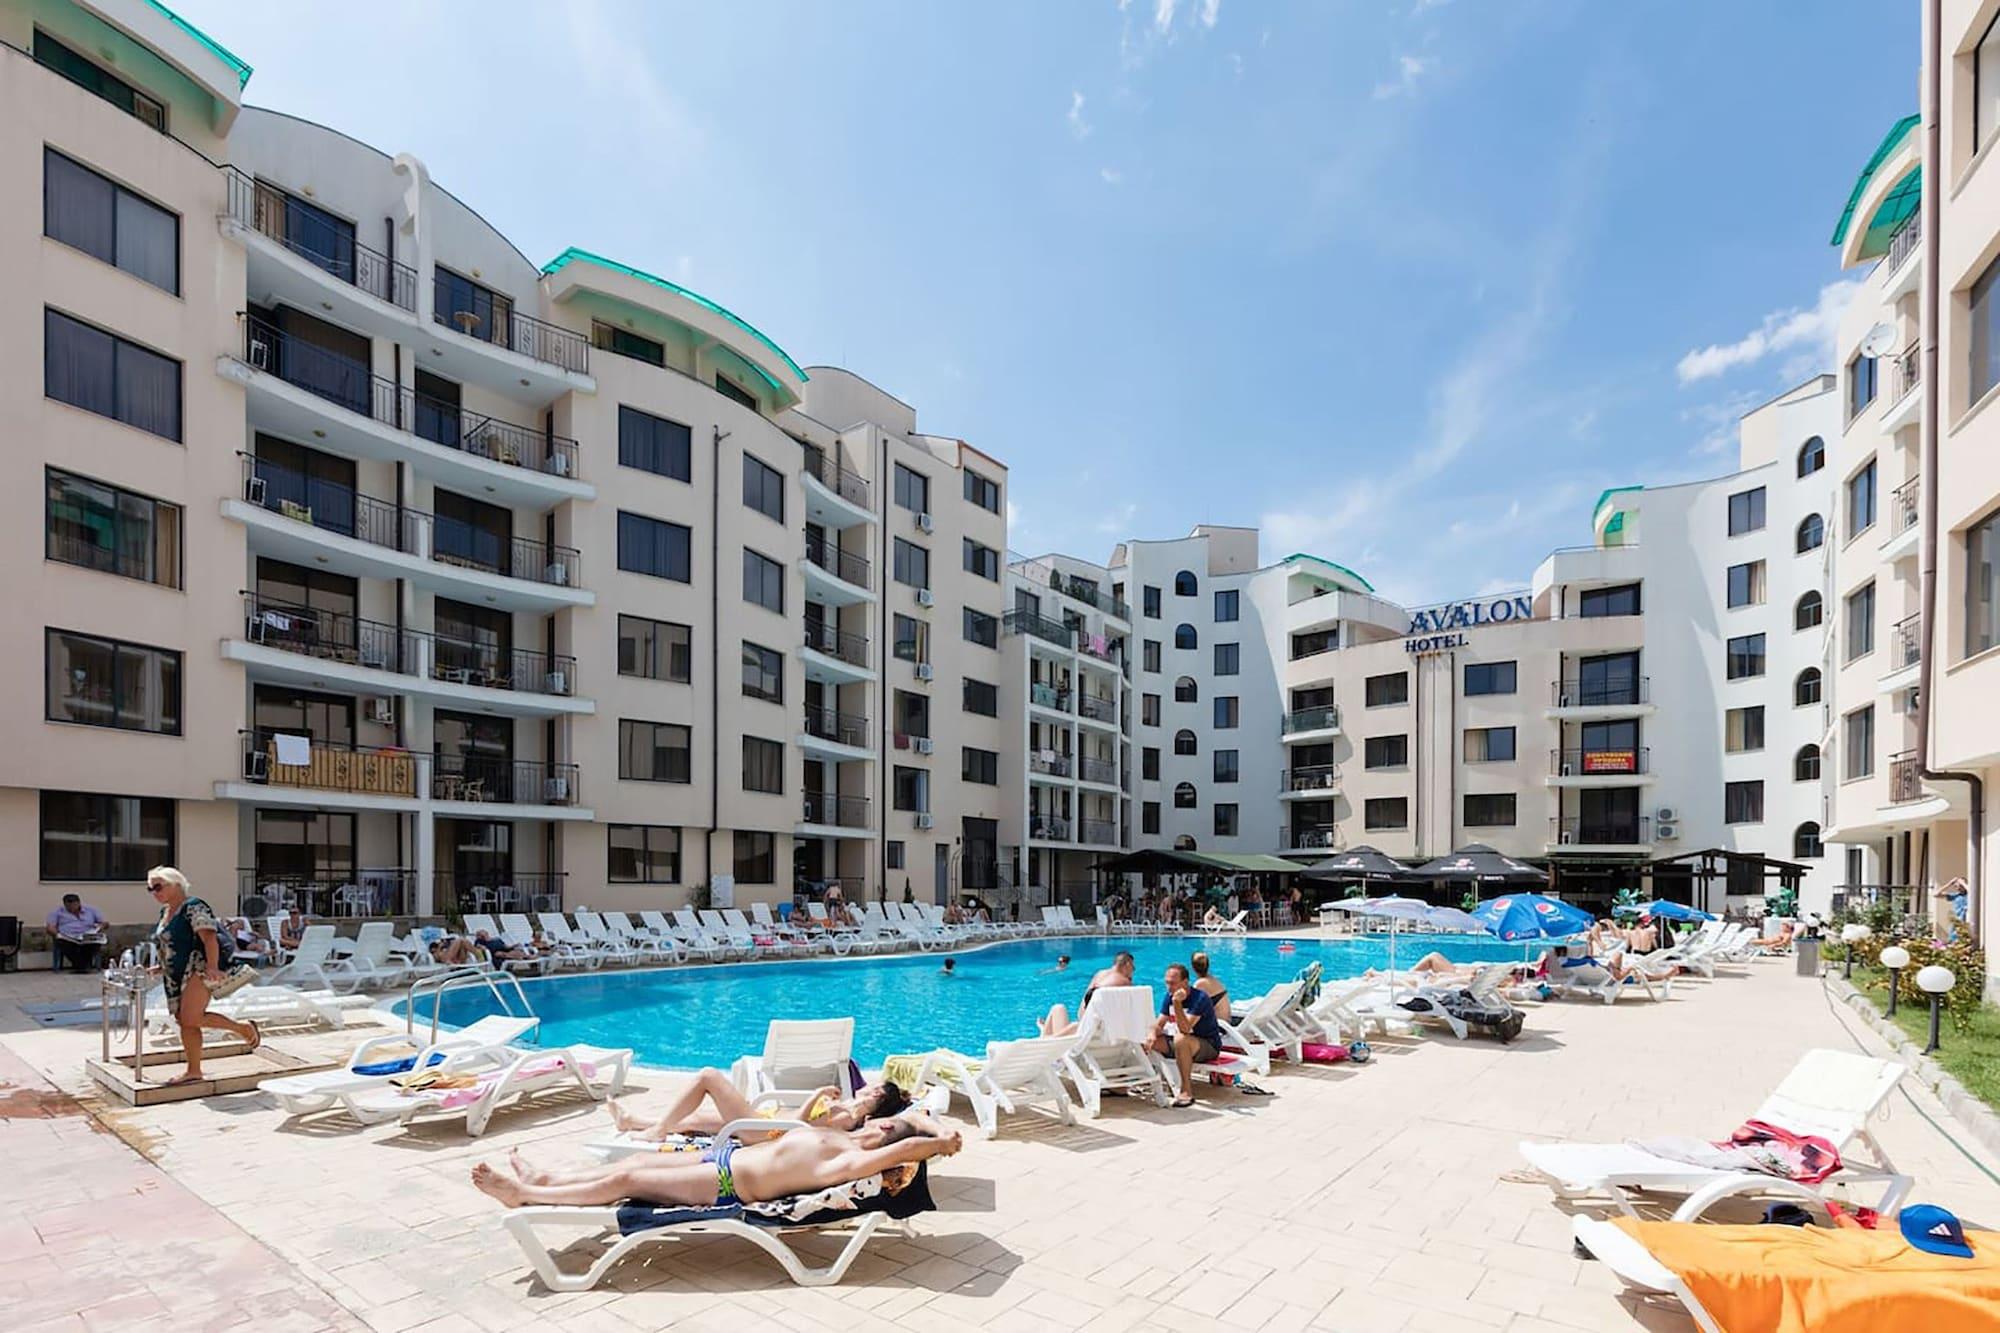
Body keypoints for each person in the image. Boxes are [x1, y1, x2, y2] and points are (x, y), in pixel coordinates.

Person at [474, 1112, 964, 1210]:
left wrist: (940, 1143)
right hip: (723, 1157)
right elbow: (915, 1117)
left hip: (726, 1183)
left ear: (884, 1134)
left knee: (626, 1178)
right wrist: (936, 1126)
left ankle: (526, 1195)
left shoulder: (853, 1161)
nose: (877, 1118)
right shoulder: (843, 1137)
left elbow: (906, 1145)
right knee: (632, 1161)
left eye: (884, 1122)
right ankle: (549, 1177)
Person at [147, 867, 259, 1084]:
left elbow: (209, 937)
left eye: (158, 887)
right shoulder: (165, 912)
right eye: (150, 889)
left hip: (196, 969)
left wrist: (213, 967)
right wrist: (161, 967)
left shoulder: (194, 906)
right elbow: (171, 944)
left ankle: (242, 1028)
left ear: (175, 884)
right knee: (185, 1021)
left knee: (191, 1017)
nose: (154, 892)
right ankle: (194, 1070)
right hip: (175, 975)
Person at [608, 1070, 911, 1141]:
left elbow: (799, 1126)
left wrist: (816, 1094)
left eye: (874, 1090)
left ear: (876, 1100)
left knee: (708, 1077)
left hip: (766, 1132)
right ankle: (632, 1121)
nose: (867, 1088)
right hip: (765, 1122)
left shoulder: (847, 1117)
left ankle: (658, 1130)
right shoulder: (846, 1110)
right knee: (696, 1118)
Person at [1151, 963, 1222, 1108]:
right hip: (1182, 1042)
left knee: (1181, 1039)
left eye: (1173, 983)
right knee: (1145, 1040)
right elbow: (1159, 1023)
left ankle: (1186, 1091)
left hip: (1208, 1045)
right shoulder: (1169, 996)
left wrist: (1177, 1003)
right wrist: (1151, 1035)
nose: (1169, 987)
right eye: (1167, 983)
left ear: (1185, 982)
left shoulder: (1200, 998)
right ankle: (1142, 1082)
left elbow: (1185, 1029)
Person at [1038, 951, 1135, 1036]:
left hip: (1084, 1027)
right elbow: (1131, 1013)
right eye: (1133, 967)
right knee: (1062, 1013)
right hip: (1092, 1031)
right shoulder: (1124, 982)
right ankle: (1049, 1036)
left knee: (1058, 1008)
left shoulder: (1100, 975)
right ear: (1127, 964)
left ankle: (1047, 1036)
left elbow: (1081, 1011)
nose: (1134, 969)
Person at [46, 893, 108, 973]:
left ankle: (82, 966)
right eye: (69, 906)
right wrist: (58, 934)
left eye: (74, 905)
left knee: (94, 944)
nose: (72, 908)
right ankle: (82, 966)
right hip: (67, 937)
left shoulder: (91, 910)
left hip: (87, 936)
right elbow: (50, 927)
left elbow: (104, 923)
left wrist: (99, 927)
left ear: (79, 903)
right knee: (66, 945)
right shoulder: (57, 912)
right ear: (65, 905)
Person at [1189, 951, 1231, 1022]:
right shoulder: (1215, 980)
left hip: (1219, 1025)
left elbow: (1192, 1009)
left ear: (1192, 967)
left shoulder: (1199, 984)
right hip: (1227, 1021)